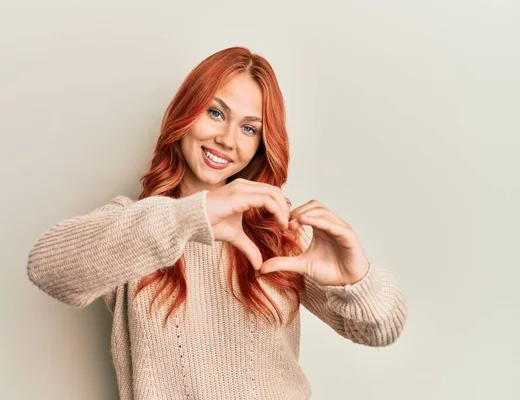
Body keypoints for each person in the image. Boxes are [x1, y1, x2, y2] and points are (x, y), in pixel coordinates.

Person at [26, 46, 407, 399]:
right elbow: (48, 269)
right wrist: (195, 215)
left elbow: (379, 330)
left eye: (249, 128)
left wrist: (356, 281)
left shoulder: (281, 232)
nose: (227, 139)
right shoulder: (136, 226)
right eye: (216, 112)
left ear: (261, 143)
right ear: (185, 114)